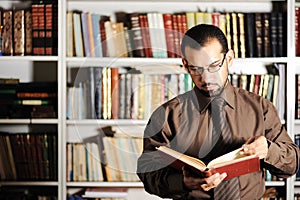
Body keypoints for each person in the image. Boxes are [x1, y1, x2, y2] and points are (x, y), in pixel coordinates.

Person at [136, 24, 300, 200]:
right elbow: (148, 174)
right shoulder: (167, 115)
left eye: (214, 65)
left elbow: (292, 166)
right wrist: (182, 182)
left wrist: (269, 150)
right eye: (196, 68)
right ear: (185, 65)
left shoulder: (260, 107)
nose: (206, 78)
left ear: (229, 58)